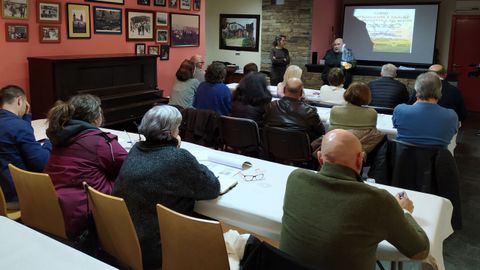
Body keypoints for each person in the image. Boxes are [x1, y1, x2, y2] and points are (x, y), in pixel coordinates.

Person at [280, 129, 430, 270]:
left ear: (320, 158)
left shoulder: (296, 178)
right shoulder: (378, 200)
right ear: (360, 160)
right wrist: (404, 210)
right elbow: (420, 251)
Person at [113, 105, 220, 269]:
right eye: (178, 127)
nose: (179, 131)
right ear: (170, 133)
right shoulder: (178, 158)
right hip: (157, 247)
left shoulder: (135, 150)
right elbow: (213, 187)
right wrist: (177, 150)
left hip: (126, 240)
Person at [43, 94, 127, 238]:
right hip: (82, 214)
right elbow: (129, 165)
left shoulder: (60, 134)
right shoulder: (99, 142)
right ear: (96, 118)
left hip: (52, 206)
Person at [0, 85, 52, 208]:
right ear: (19, 100)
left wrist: (25, 118)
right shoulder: (18, 127)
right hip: (17, 196)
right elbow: (41, 162)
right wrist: (49, 142)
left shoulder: (15, 125)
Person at [393, 72, 458, 147]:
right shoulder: (451, 116)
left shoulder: (400, 110)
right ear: (439, 91)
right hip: (436, 158)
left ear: (416, 90)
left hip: (403, 157)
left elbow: (395, 126)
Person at [264, 78, 325, 142]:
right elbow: (322, 134)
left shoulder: (271, 107)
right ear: (301, 93)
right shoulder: (310, 112)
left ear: (284, 90)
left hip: (273, 148)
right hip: (301, 150)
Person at [329, 82, 384, 153]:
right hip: (357, 154)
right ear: (367, 96)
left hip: (334, 151)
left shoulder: (335, 110)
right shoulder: (371, 113)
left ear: (347, 93)